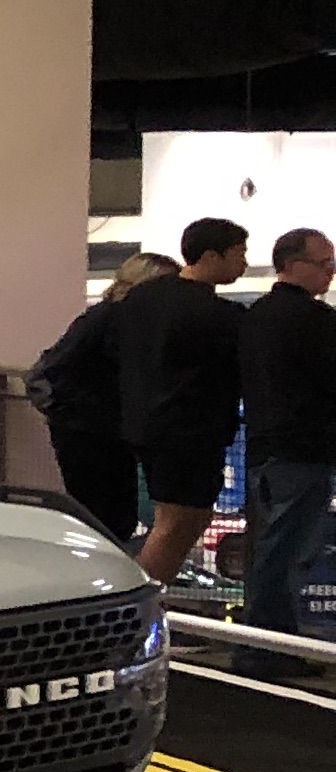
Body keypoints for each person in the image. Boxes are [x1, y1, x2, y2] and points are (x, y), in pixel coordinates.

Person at [113, 215, 251, 582]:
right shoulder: (219, 314)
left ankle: (145, 601)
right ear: (210, 256)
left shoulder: (143, 298)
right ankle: (142, 606)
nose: (244, 263)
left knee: (171, 520)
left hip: (144, 424)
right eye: (238, 254)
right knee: (178, 523)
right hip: (191, 431)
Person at [33, 251, 171, 545]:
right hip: (92, 430)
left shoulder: (106, 315)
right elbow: (58, 366)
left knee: (106, 512)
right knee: (105, 514)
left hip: (95, 428)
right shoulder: (112, 319)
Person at [241, 226, 336, 646]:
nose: (331, 273)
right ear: (294, 265)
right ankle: (268, 645)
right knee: (289, 552)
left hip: (265, 448)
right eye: (324, 264)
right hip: (304, 449)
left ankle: (267, 641)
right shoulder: (315, 322)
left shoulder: (255, 316)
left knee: (271, 546)